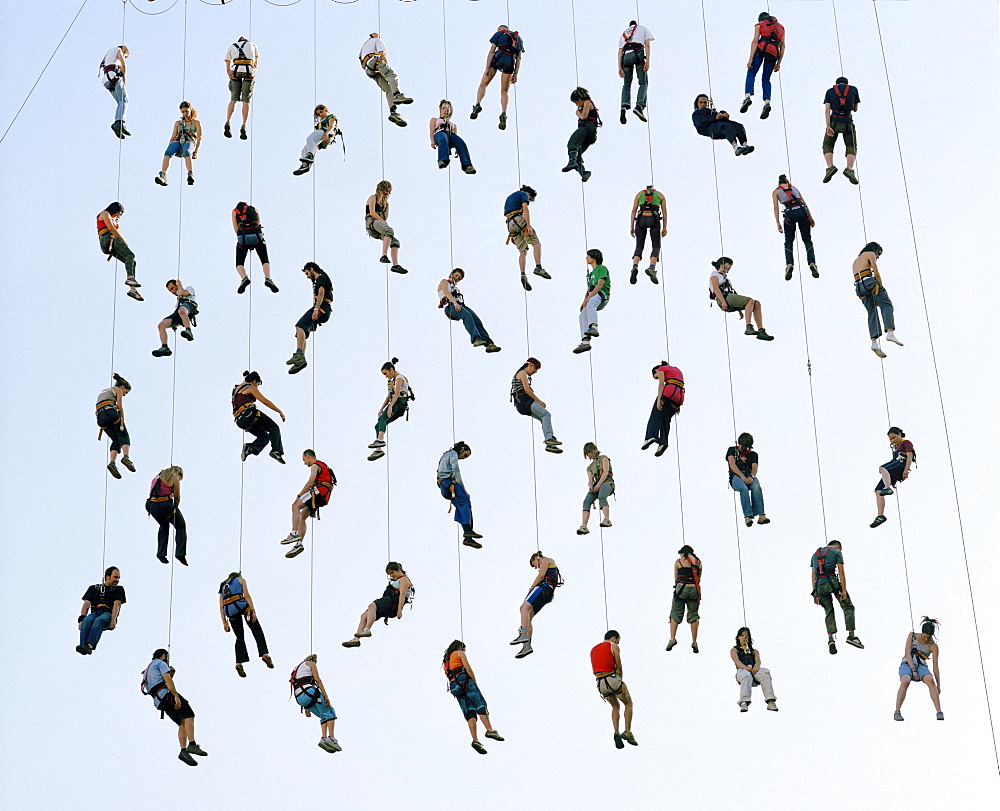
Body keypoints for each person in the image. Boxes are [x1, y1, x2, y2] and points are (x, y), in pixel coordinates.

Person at [141, 649, 207, 766]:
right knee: (189, 715)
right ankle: (192, 744)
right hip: (166, 694)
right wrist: (175, 695)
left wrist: (171, 674)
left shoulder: (148, 669)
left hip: (159, 700)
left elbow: (158, 681)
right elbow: (167, 679)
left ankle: (183, 751)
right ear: (163, 656)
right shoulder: (160, 663)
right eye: (166, 657)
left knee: (182, 722)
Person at [443, 641, 505, 754]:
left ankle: (475, 740)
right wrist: (474, 683)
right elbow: (468, 669)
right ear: (460, 646)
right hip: (464, 680)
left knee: (469, 712)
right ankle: (489, 730)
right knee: (480, 704)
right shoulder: (459, 653)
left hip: (454, 686)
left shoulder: (446, 662)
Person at [342, 562, 414, 647]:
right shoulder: (395, 581)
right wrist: (386, 616)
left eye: (392, 572)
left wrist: (399, 610)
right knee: (364, 615)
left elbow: (402, 595)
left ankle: (367, 629)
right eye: (389, 574)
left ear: (398, 570)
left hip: (394, 603)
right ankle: (356, 639)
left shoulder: (404, 579)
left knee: (372, 605)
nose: (391, 575)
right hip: (390, 604)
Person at [281, 449, 337, 559]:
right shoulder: (324, 466)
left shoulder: (315, 465)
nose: (305, 463)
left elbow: (310, 482)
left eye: (304, 460)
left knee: (295, 506)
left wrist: (299, 496)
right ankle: (298, 545)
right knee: (302, 517)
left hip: (318, 492)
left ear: (308, 456)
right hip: (323, 496)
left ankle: (293, 533)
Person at [811, 541, 864, 654]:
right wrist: (843, 590)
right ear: (838, 547)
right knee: (848, 607)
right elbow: (841, 571)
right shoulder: (836, 552)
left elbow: (813, 575)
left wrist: (815, 593)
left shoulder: (814, 555)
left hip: (820, 586)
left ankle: (831, 639)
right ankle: (851, 636)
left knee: (828, 611)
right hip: (832, 582)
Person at [853, 242, 903, 358]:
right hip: (869, 282)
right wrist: (880, 285)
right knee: (887, 305)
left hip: (859, 288)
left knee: (872, 312)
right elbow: (876, 271)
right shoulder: (870, 254)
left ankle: (874, 342)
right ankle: (890, 332)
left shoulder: (856, 261)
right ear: (874, 250)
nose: (878, 257)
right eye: (878, 254)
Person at [219, 572, 273, 676]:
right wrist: (253, 611)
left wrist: (224, 622)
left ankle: (239, 662)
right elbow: (247, 596)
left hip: (229, 611)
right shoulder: (241, 580)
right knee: (256, 629)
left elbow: (221, 605)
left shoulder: (222, 585)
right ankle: (264, 654)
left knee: (239, 636)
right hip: (241, 605)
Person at [471, 25, 524, 130]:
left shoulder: (499, 34)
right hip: (510, 61)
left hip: (499, 56)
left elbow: (492, 50)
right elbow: (519, 58)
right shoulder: (518, 38)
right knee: (504, 91)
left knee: (483, 83)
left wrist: (487, 68)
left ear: (500, 29)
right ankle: (503, 112)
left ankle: (478, 103)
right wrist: (516, 74)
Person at [590, 630, 637, 748]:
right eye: (618, 640)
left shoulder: (593, 649)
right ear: (613, 638)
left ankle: (616, 731)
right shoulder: (613, 646)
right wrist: (619, 678)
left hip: (601, 684)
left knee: (615, 707)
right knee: (628, 704)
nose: (618, 643)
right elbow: (619, 664)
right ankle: (628, 732)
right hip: (612, 679)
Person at [510, 551, 562, 659]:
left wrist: (531, 587)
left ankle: (523, 634)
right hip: (548, 592)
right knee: (528, 616)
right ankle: (527, 645)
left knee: (523, 608)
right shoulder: (550, 564)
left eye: (535, 565)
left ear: (537, 558)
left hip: (544, 587)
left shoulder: (546, 560)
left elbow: (541, 575)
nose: (536, 567)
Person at [709, 257, 774, 340]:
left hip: (729, 298)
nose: (730, 267)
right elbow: (715, 288)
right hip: (722, 298)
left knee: (756, 303)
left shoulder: (726, 279)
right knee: (749, 300)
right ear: (722, 265)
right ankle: (748, 327)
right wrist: (723, 302)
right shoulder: (715, 274)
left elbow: (733, 294)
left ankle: (761, 331)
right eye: (729, 264)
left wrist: (739, 310)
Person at [438, 268, 501, 353]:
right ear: (452, 274)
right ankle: (475, 339)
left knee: (476, 321)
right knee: (467, 316)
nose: (457, 278)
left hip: (459, 305)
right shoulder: (444, 282)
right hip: (450, 307)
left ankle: (489, 345)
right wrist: (455, 303)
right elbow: (447, 293)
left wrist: (458, 303)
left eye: (459, 278)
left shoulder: (456, 289)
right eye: (456, 275)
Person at [286, 262, 333, 375]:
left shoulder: (321, 278)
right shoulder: (317, 280)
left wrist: (316, 309)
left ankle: (299, 355)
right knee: (301, 333)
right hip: (323, 308)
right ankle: (300, 358)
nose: (307, 276)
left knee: (299, 326)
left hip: (322, 307)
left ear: (312, 269)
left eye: (307, 273)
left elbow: (321, 293)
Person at [894, 616, 944, 721]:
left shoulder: (933, 646)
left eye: (928, 638)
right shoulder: (912, 636)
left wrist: (938, 685)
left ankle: (939, 711)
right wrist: (913, 670)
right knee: (905, 680)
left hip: (921, 665)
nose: (925, 639)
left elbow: (935, 666)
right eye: (924, 637)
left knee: (930, 680)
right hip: (908, 663)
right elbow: (907, 652)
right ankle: (897, 711)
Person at [359, 33, 413, 127]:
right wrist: (386, 66)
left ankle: (393, 112)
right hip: (374, 61)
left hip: (369, 70)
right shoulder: (377, 40)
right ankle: (397, 95)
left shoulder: (363, 48)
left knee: (388, 89)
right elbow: (382, 53)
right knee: (392, 75)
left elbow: (362, 63)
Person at [290, 655, 342, 752]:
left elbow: (300, 682)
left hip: (300, 698)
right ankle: (331, 738)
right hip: (310, 692)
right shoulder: (311, 664)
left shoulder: (296, 669)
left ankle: (323, 738)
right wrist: (326, 696)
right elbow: (318, 680)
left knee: (323, 715)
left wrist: (306, 708)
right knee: (330, 712)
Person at [510, 358, 563, 453]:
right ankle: (549, 439)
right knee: (546, 415)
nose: (535, 371)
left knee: (543, 418)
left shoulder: (521, 374)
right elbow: (527, 390)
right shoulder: (522, 373)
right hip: (525, 401)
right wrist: (539, 401)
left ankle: (551, 444)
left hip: (521, 405)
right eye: (536, 368)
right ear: (530, 365)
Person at [232, 370, 286, 464]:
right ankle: (276, 451)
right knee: (274, 428)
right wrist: (279, 411)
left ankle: (249, 448)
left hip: (240, 421)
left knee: (264, 437)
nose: (257, 387)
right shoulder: (250, 387)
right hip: (249, 413)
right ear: (254, 381)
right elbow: (265, 401)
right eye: (258, 384)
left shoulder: (236, 390)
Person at [438, 441, 484, 548]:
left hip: (443, 487)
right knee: (465, 503)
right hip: (448, 482)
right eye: (465, 455)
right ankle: (468, 531)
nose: (463, 458)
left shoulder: (445, 455)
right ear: (462, 449)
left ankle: (468, 536)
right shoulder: (453, 454)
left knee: (461, 507)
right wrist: (464, 489)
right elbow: (456, 471)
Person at [772, 174, 817, 280]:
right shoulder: (794, 188)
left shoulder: (776, 191)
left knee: (789, 241)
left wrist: (778, 223)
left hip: (789, 214)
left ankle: (789, 264)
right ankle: (812, 262)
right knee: (807, 240)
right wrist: (810, 217)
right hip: (802, 211)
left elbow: (776, 207)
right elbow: (804, 202)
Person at [740, 12, 784, 120]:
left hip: (761, 50)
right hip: (773, 54)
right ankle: (767, 102)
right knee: (766, 79)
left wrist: (750, 59)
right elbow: (782, 46)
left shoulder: (759, 25)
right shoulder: (781, 28)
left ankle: (747, 96)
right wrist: (779, 63)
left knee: (751, 74)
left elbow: (755, 41)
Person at [367, 358, 413, 462]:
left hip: (399, 403)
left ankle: (379, 441)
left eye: (386, 373)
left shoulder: (399, 378)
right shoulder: (392, 381)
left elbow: (396, 394)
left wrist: (390, 406)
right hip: (398, 404)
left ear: (391, 370)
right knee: (378, 425)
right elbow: (389, 395)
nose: (386, 376)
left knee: (382, 420)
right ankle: (378, 449)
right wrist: (382, 408)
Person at [504, 185, 547, 291]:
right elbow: (525, 209)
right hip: (519, 220)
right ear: (528, 193)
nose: (529, 200)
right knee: (536, 243)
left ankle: (523, 275)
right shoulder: (523, 194)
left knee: (523, 251)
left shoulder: (510, 198)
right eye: (530, 199)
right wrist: (528, 225)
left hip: (510, 224)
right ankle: (538, 267)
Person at [871, 427, 915, 529]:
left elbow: (910, 456)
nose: (892, 440)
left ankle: (887, 488)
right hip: (896, 465)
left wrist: (906, 470)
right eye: (891, 439)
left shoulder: (906, 443)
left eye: (894, 437)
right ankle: (880, 515)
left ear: (900, 434)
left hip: (902, 463)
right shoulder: (896, 447)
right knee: (878, 490)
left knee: (882, 468)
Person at [76, 567, 125, 655]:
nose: (117, 580)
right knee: (87, 620)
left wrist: (113, 620)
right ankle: (82, 645)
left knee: (99, 621)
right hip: (95, 612)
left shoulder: (118, 589)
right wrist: (81, 619)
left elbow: (117, 604)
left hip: (108, 614)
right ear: (107, 577)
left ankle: (90, 645)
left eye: (118, 578)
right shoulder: (93, 588)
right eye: (115, 577)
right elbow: (86, 604)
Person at [97, 202, 142, 300]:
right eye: (119, 213)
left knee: (131, 262)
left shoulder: (112, 218)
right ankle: (130, 278)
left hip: (107, 242)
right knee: (130, 255)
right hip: (108, 238)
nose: (118, 215)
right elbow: (112, 229)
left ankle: (132, 289)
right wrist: (124, 242)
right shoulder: (105, 214)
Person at [146, 466, 187, 566]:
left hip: (151, 505)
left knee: (164, 526)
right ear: (179, 474)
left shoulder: (158, 476)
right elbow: (177, 497)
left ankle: (161, 553)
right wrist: (174, 509)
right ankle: (180, 554)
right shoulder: (174, 477)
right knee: (181, 526)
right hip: (165, 504)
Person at [233, 201, 278, 294]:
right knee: (264, 259)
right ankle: (268, 278)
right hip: (257, 236)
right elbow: (258, 224)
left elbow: (236, 230)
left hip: (243, 238)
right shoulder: (254, 209)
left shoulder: (234, 211)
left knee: (239, 263)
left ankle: (244, 278)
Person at [154, 101, 202, 187]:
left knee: (187, 151)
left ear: (190, 110)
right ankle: (163, 176)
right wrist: (169, 145)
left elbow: (199, 137)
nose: (185, 113)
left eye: (186, 111)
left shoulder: (196, 123)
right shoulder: (178, 123)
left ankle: (190, 174)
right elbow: (173, 136)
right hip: (178, 140)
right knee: (168, 152)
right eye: (183, 112)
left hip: (189, 141)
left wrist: (196, 151)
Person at [823, 77, 861, 184]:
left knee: (827, 145)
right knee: (851, 146)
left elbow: (827, 109)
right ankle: (849, 168)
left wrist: (828, 126)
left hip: (834, 122)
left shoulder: (830, 91)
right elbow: (855, 109)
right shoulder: (853, 89)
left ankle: (830, 166)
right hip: (848, 122)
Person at [731, 627, 778, 712]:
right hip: (742, 670)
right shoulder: (734, 650)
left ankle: (770, 701)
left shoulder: (754, 651)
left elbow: (758, 660)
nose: (745, 638)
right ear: (738, 637)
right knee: (746, 674)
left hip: (754, 670)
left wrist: (756, 666)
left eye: (746, 636)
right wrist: (745, 667)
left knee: (765, 672)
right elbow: (736, 661)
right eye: (742, 636)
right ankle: (744, 701)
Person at [727, 433, 770, 527]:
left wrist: (751, 476)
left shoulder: (753, 454)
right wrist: (742, 477)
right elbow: (732, 464)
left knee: (756, 487)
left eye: (746, 446)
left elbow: (754, 467)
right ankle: (748, 516)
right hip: (736, 476)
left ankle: (761, 515)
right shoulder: (732, 450)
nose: (744, 448)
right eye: (743, 446)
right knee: (743, 488)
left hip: (748, 475)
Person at [642, 360, 684, 457]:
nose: (657, 378)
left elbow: (661, 384)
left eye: (655, 376)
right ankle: (663, 442)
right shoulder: (677, 370)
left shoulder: (661, 369)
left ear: (656, 370)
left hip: (669, 392)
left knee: (655, 415)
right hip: (679, 397)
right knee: (665, 420)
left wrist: (659, 400)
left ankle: (651, 436)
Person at [96, 373, 134, 479]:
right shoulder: (118, 390)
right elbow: (120, 407)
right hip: (111, 413)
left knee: (116, 440)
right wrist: (122, 420)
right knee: (124, 436)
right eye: (126, 392)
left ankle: (112, 463)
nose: (124, 394)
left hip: (100, 418)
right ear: (123, 387)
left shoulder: (104, 390)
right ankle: (126, 457)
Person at [573, 249, 611, 355]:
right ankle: (585, 342)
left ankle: (594, 327)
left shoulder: (602, 268)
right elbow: (589, 289)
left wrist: (589, 298)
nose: (586, 258)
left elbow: (600, 284)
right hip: (593, 295)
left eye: (588, 256)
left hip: (602, 295)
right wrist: (584, 301)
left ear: (594, 257)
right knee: (582, 316)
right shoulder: (591, 274)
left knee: (591, 303)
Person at [365, 181, 407, 274]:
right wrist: (383, 222)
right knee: (389, 230)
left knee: (395, 241)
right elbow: (372, 213)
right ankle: (383, 255)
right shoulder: (373, 198)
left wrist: (386, 206)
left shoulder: (385, 204)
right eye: (386, 191)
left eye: (389, 191)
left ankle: (395, 265)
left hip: (379, 227)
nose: (388, 194)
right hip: (372, 223)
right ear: (381, 190)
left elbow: (385, 217)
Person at [666, 546, 701, 653]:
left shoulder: (678, 562)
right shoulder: (698, 562)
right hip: (694, 589)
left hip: (681, 589)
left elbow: (676, 579)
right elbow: (699, 578)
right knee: (693, 614)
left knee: (675, 613)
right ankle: (694, 641)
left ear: (683, 553)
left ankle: (672, 638)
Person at [629, 186, 667, 284]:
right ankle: (652, 268)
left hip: (641, 220)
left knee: (639, 247)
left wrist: (632, 226)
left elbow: (633, 211)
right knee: (656, 246)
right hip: (654, 219)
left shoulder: (639, 194)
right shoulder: (660, 195)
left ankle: (635, 267)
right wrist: (664, 227)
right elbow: (664, 212)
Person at [618, 20, 654, 124]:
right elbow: (647, 45)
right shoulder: (642, 28)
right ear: (636, 25)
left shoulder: (623, 34)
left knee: (626, 84)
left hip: (625, 57)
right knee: (643, 82)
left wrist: (619, 68)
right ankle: (639, 106)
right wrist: (647, 61)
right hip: (637, 54)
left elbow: (619, 52)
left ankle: (623, 106)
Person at [562, 87, 601, 182]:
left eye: (576, 102)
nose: (576, 105)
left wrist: (578, 113)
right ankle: (583, 172)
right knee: (578, 153)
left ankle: (572, 162)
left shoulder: (587, 102)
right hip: (591, 135)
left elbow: (584, 116)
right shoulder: (585, 104)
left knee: (572, 143)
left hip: (587, 128)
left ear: (579, 99)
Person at [151, 279, 197, 358]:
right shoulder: (178, 302)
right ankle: (164, 347)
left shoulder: (189, 289)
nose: (172, 292)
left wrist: (179, 285)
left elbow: (182, 293)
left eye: (172, 288)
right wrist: (174, 324)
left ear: (176, 285)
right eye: (170, 291)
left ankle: (188, 331)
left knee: (181, 311)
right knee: (161, 325)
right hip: (179, 311)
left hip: (189, 305)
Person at [292, 105, 342, 177]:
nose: (320, 115)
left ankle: (310, 156)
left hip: (326, 132)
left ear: (326, 110)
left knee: (309, 139)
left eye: (321, 112)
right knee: (304, 150)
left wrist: (327, 134)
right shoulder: (320, 123)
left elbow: (332, 125)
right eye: (318, 114)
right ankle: (305, 165)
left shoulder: (331, 117)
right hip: (322, 138)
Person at [224, 36, 258, 139]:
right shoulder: (253, 45)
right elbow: (256, 63)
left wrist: (229, 73)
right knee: (246, 101)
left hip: (236, 71)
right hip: (249, 71)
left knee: (233, 99)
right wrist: (253, 73)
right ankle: (244, 124)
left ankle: (228, 121)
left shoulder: (232, 46)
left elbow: (227, 61)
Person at [429, 100, 476, 174]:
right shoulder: (434, 120)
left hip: (450, 136)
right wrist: (432, 141)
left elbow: (455, 138)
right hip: (439, 134)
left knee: (461, 142)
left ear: (450, 111)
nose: (445, 110)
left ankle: (467, 165)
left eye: (447, 109)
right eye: (443, 108)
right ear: (440, 109)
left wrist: (457, 148)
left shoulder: (453, 125)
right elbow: (431, 131)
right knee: (443, 137)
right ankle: (443, 159)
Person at [578, 442, 613, 535]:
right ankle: (584, 526)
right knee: (587, 501)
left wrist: (599, 485)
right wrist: (591, 487)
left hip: (607, 482)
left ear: (592, 450)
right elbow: (590, 481)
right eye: (586, 454)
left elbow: (605, 472)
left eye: (588, 452)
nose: (588, 455)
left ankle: (607, 519)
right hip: (597, 484)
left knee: (602, 496)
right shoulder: (589, 467)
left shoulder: (604, 458)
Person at [100, 45, 130, 138]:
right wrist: (124, 79)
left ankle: (117, 122)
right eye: (125, 56)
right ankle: (120, 123)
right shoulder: (118, 50)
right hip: (114, 77)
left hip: (106, 81)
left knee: (120, 102)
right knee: (124, 101)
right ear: (124, 50)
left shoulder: (109, 53)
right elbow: (123, 65)